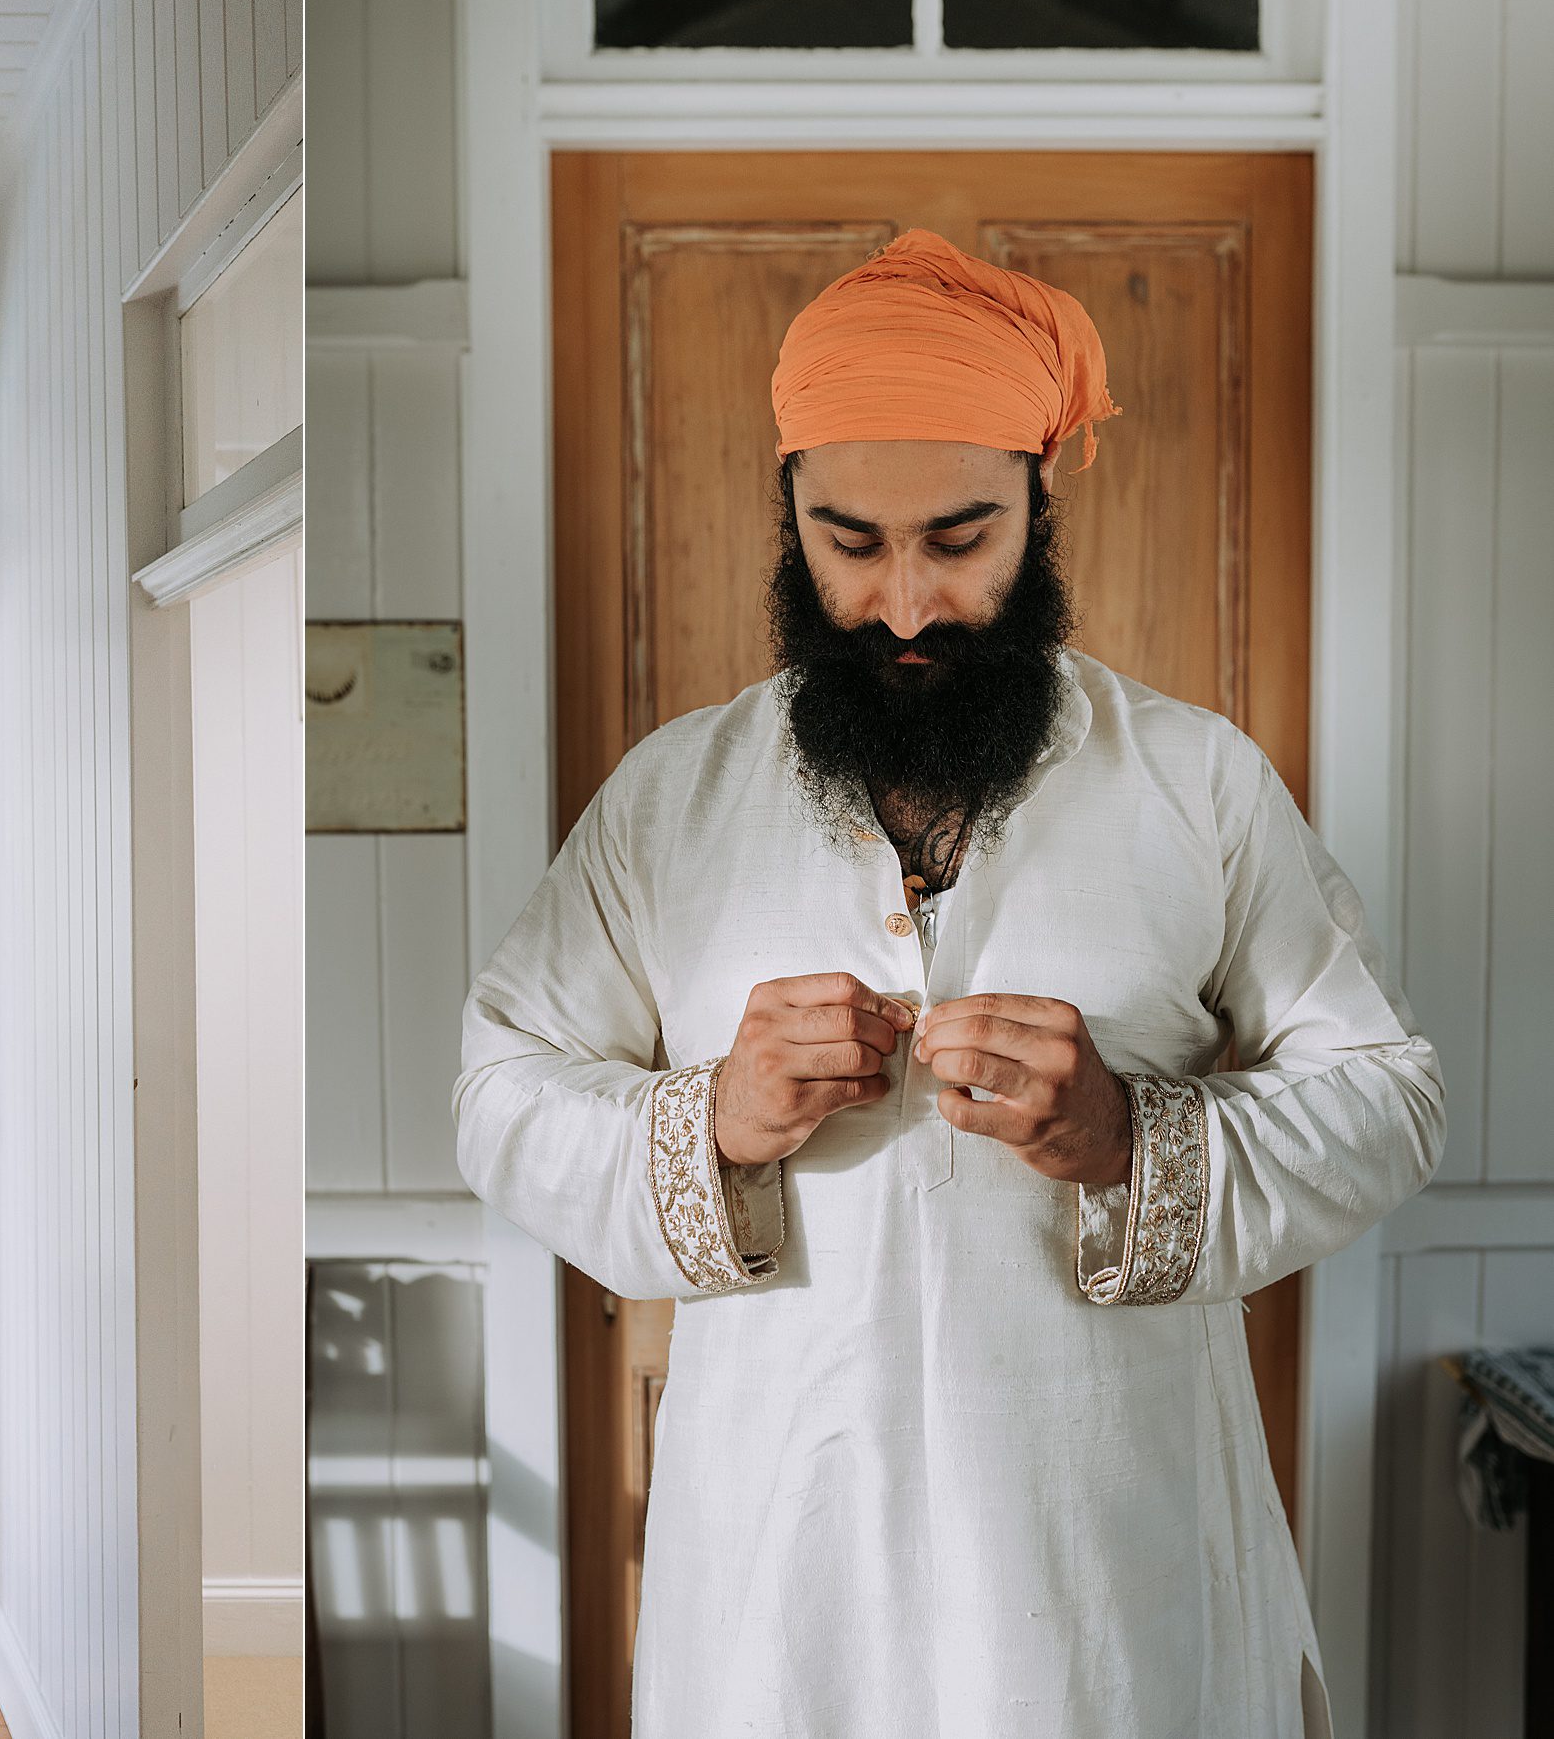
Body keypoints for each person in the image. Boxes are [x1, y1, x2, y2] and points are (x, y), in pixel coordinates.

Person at [453, 228, 1443, 1738]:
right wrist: (710, 1115)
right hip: (785, 1588)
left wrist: (1134, 1138)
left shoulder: (1199, 785)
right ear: (789, 513)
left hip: (1113, 1586)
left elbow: (1388, 1098)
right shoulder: (672, 801)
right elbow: (501, 1089)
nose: (906, 602)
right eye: (851, 542)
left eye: (960, 536)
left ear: (1044, 505)